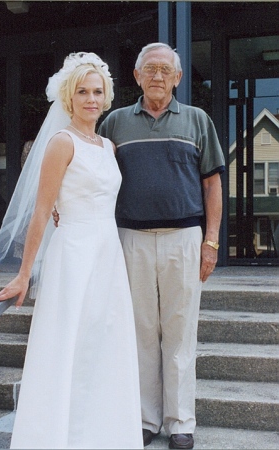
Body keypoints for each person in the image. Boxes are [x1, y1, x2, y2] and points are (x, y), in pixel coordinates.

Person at [0, 52, 143, 449]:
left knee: (103, 347)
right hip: (73, 254)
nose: (91, 98)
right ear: (68, 98)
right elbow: (41, 212)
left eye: (97, 91)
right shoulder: (62, 141)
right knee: (68, 346)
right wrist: (24, 274)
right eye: (82, 92)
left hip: (108, 255)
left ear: (106, 96)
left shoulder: (108, 146)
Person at [99, 42, 225, 449]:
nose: (156, 76)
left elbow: (212, 183)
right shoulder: (114, 123)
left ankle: (180, 421)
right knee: (139, 333)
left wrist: (211, 240)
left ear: (178, 77)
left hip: (185, 239)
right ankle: (145, 419)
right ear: (136, 77)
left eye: (164, 70)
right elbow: (96, 177)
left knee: (180, 332)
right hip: (130, 239)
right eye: (149, 69)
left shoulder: (197, 120)